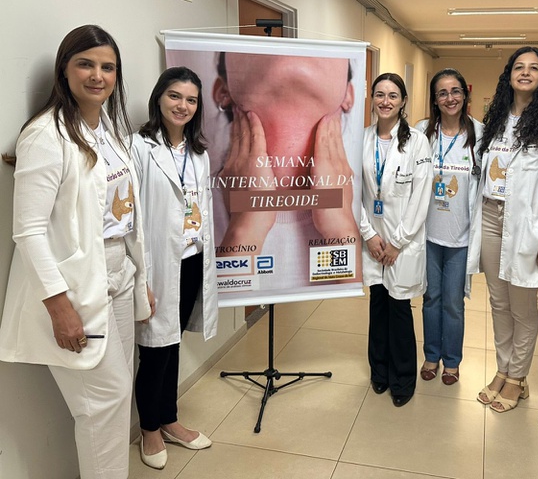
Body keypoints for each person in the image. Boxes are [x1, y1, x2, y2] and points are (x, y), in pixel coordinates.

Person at [0, 24, 154, 479]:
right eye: (85, 64)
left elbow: (127, 217)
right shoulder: (45, 135)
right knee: (102, 402)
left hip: (118, 274)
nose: (97, 76)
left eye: (108, 67)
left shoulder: (110, 130)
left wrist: (140, 280)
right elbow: (28, 232)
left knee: (117, 395)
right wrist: (58, 306)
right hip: (76, 285)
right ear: (64, 69)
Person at [210, 52, 360, 288]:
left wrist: (343, 230)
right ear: (223, 91)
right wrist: (244, 229)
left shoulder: (367, 201)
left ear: (348, 94)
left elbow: (359, 306)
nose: (291, 51)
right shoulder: (197, 203)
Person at [474, 47, 538, 413]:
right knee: (498, 302)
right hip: (490, 216)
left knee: (523, 306)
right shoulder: (496, 117)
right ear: (509, 74)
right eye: (519, 67)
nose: (525, 72)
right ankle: (503, 369)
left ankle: (517, 377)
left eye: (534, 68)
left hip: (527, 222)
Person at [131, 67, 218, 469]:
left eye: (191, 100)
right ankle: (149, 428)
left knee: (172, 342)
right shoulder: (139, 148)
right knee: (154, 350)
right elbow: (133, 219)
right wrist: (142, 276)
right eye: (174, 96)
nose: (182, 105)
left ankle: (168, 418)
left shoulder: (199, 153)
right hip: (158, 266)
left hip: (191, 260)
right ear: (159, 98)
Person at [360, 73, 432, 407]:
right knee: (378, 304)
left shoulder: (417, 141)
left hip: (403, 242)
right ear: (372, 99)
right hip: (373, 238)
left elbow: (421, 196)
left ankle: (403, 378)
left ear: (403, 101)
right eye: (379, 94)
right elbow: (352, 191)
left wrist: (397, 241)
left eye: (392, 95)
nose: (385, 101)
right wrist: (369, 234)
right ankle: (379, 371)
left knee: (399, 307)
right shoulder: (361, 139)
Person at [415, 69, 483, 385]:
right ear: (434, 99)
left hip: (461, 235)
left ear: (465, 96)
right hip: (428, 232)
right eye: (442, 93)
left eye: (455, 91)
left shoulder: (479, 135)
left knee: (453, 303)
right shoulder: (422, 133)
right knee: (431, 297)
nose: (450, 98)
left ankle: (452, 361)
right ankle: (431, 355)